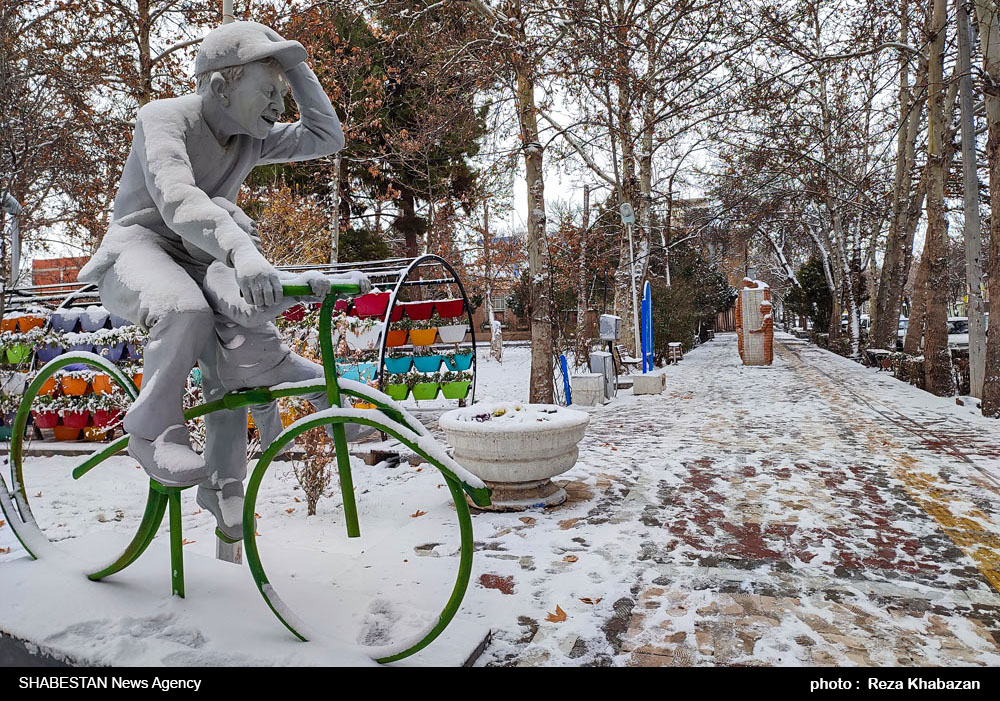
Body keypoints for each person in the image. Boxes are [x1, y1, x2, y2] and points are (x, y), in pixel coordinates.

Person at [78, 21, 368, 540]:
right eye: (268, 92)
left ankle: (223, 486)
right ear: (219, 85)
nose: (280, 108)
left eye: (282, 95)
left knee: (231, 365)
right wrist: (239, 249)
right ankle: (153, 431)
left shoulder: (249, 138)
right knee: (185, 310)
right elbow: (176, 199)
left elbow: (327, 136)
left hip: (199, 254)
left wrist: (291, 64)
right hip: (138, 249)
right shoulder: (162, 118)